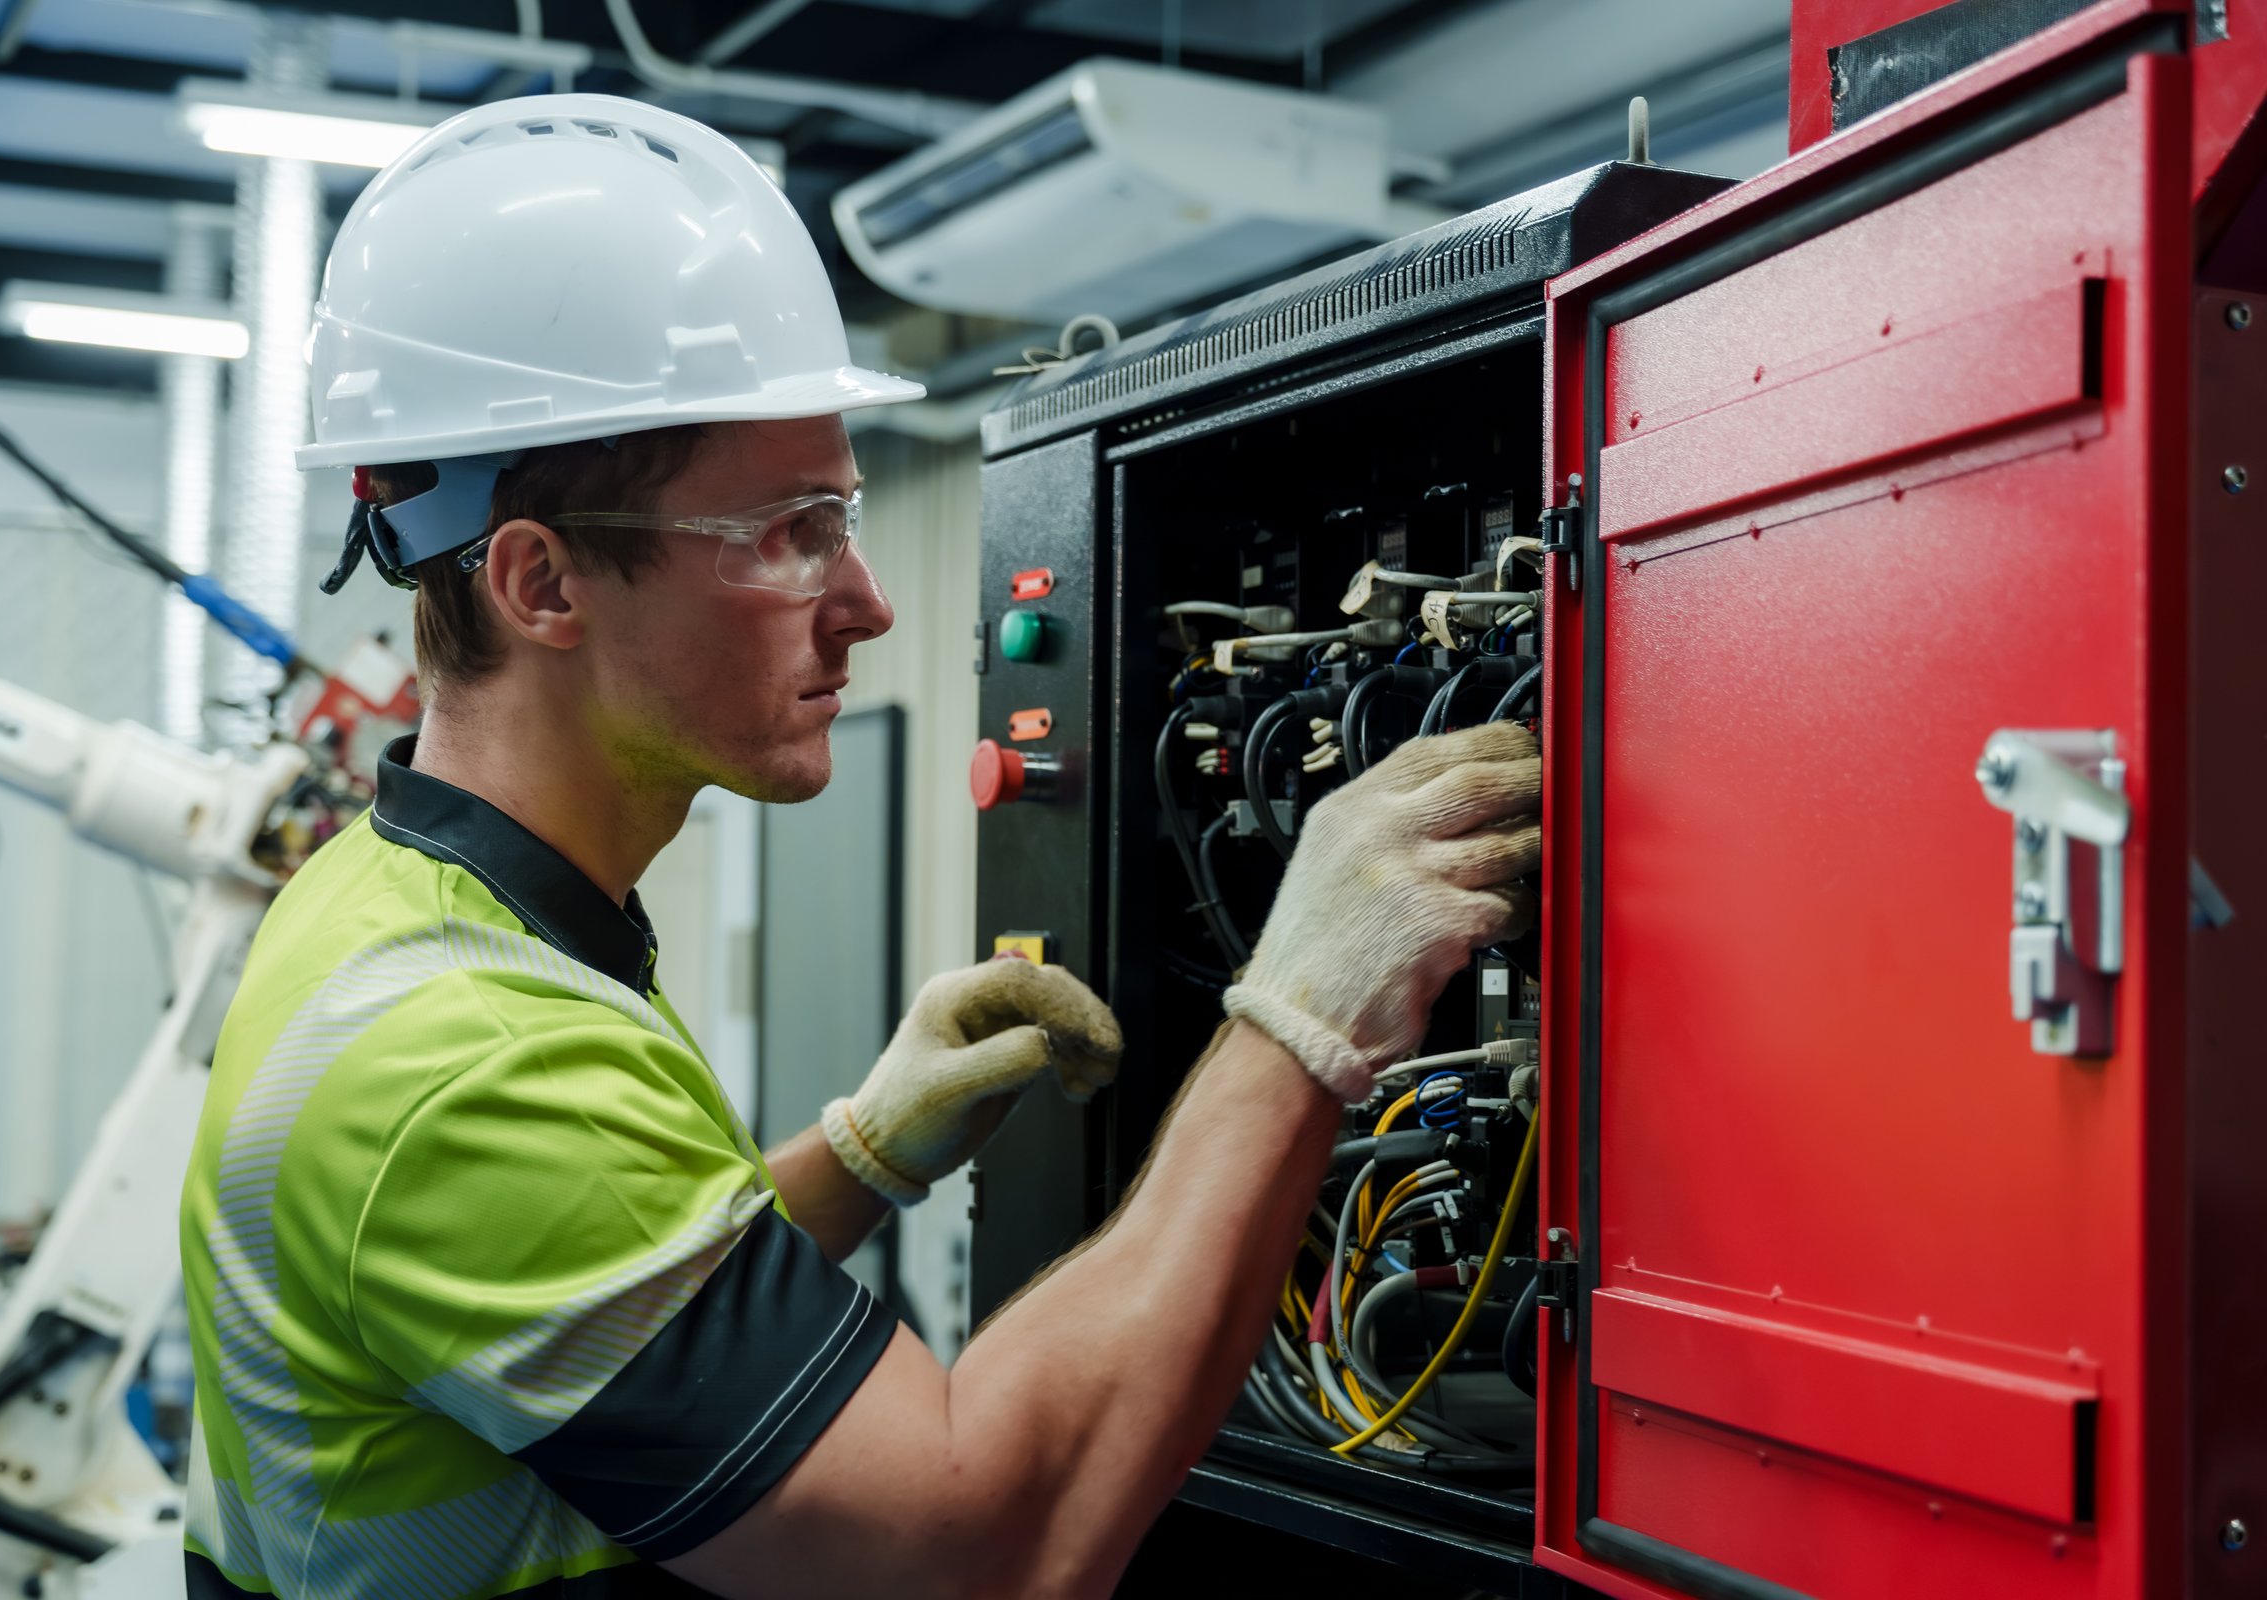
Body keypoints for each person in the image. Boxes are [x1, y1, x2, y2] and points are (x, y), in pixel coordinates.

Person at [180, 93, 1540, 1600]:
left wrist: (859, 1156)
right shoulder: (462, 1054)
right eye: (789, 531)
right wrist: (1305, 1015)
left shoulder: (383, 907)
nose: (870, 600)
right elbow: (986, 1550)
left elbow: (595, 1312)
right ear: (542, 582)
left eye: (846, 512)